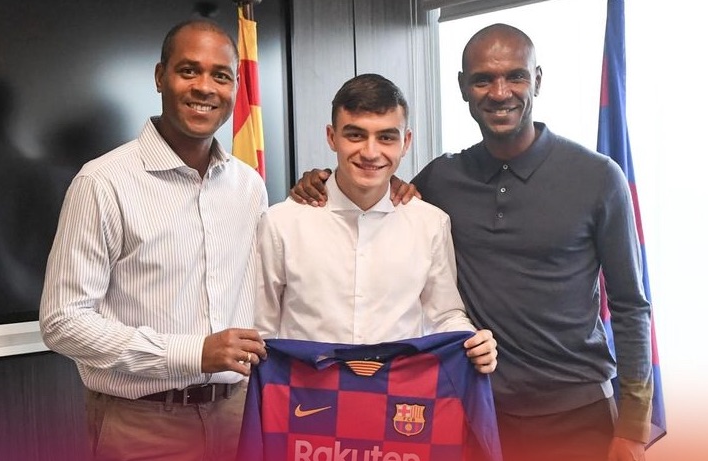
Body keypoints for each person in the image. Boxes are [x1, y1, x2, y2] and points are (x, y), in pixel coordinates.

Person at [290, 24, 653, 461]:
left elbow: (631, 306)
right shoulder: (441, 178)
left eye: (515, 76)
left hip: (577, 414)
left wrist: (634, 428)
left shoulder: (598, 177)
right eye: (483, 79)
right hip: (469, 408)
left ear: (537, 80)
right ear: (464, 87)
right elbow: (376, 191)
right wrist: (321, 181)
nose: (500, 92)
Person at [39, 18, 267, 461]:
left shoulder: (248, 186)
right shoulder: (103, 183)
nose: (205, 88)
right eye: (189, 70)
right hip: (143, 426)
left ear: (236, 87)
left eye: (221, 75)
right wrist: (192, 353)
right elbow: (63, 322)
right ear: (160, 76)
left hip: (240, 416)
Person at [255, 73, 496, 370]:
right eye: (355, 135)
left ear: (406, 142)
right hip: (304, 392)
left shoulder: (431, 224)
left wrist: (473, 342)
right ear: (331, 137)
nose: (370, 152)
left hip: (399, 393)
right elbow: (260, 328)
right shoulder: (280, 223)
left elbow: (445, 316)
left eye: (386, 137)